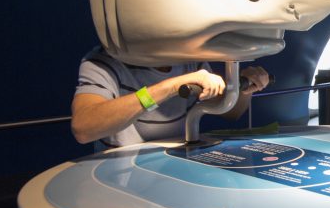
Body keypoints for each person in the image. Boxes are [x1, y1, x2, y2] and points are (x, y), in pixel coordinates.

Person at [71, 45, 271, 149]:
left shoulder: (190, 61)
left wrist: (243, 89)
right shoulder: (104, 62)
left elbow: (230, 112)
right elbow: (84, 128)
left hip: (171, 170)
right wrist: (171, 86)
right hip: (121, 186)